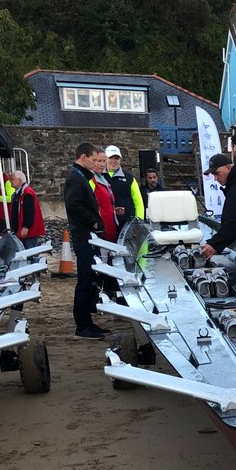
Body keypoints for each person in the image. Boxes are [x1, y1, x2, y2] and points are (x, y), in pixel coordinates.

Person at [63, 142, 107, 340]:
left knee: (91, 281)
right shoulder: (76, 178)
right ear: (83, 157)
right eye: (93, 158)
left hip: (88, 235)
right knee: (85, 279)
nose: (96, 162)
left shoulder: (81, 177)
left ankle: (88, 321)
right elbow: (73, 205)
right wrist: (92, 222)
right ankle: (82, 325)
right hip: (84, 236)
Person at [104, 145, 144, 229]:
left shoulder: (130, 178)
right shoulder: (98, 177)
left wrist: (139, 222)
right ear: (105, 159)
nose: (114, 161)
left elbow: (138, 202)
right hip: (106, 224)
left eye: (117, 158)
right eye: (111, 158)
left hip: (127, 225)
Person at [7, 170, 46, 249]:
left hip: (28, 232)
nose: (10, 181)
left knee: (29, 252)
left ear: (19, 180)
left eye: (12, 179)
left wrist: (26, 226)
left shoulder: (27, 193)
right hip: (21, 230)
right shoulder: (20, 193)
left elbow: (29, 211)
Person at [90, 149, 119, 243]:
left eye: (104, 161)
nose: (102, 164)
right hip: (100, 229)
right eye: (99, 161)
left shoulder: (103, 179)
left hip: (109, 226)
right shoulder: (91, 180)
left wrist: (114, 210)